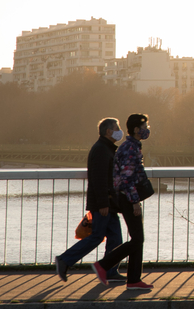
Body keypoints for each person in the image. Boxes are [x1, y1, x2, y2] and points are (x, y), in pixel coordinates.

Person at [54, 118, 125, 283]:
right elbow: (98, 179)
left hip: (108, 203)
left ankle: (110, 270)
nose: (120, 131)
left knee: (116, 239)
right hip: (104, 203)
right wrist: (103, 203)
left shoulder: (105, 148)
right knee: (97, 236)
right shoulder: (101, 150)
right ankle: (65, 260)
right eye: (117, 128)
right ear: (108, 131)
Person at [93, 113, 153, 291]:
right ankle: (104, 265)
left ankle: (134, 279)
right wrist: (135, 202)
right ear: (136, 129)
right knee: (137, 239)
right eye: (144, 127)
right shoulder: (129, 149)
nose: (146, 130)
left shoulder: (131, 146)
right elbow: (127, 179)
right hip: (128, 199)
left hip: (129, 198)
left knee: (137, 239)